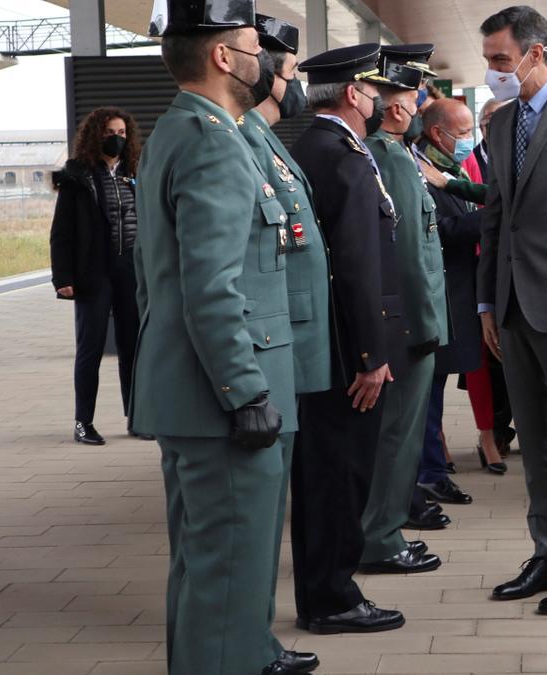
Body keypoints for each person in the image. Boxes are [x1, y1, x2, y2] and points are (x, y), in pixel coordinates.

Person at [133, 3, 315, 674]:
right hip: (220, 399)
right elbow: (211, 286)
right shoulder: (212, 140)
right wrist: (245, 392)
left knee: (207, 573)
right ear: (221, 58)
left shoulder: (184, 130)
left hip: (193, 394)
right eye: (250, 46)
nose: (261, 59)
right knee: (228, 581)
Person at [289, 43, 410, 635]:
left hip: (330, 340)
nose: (379, 98)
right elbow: (357, 262)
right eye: (372, 88)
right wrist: (370, 356)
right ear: (352, 94)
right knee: (340, 473)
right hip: (347, 347)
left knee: (325, 472)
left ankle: (323, 590)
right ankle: (332, 596)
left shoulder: (323, 147)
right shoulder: (340, 155)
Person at [477, 5, 547, 616]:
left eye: (501, 60)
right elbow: (497, 216)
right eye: (489, 61)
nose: (494, 72)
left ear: (536, 53)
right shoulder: (499, 125)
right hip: (514, 308)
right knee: (537, 441)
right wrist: (488, 301)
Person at [245, 12, 332, 654]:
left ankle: (255, 644)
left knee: (264, 519)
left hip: (286, 350)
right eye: (293, 69)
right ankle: (246, 647)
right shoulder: (236, 140)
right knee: (248, 525)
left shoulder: (266, 138)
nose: (297, 81)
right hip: (260, 360)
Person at [360, 48, 447, 575]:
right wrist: (427, 326)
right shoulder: (391, 158)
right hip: (412, 323)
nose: (420, 105)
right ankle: (383, 538)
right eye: (414, 97)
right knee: (398, 437)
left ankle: (383, 529)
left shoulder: (392, 152)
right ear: (395, 109)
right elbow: (413, 251)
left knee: (396, 435)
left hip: (406, 320)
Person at [50, 107, 148, 446]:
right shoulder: (77, 177)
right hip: (94, 272)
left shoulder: (134, 173)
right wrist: (62, 277)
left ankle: (137, 417)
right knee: (89, 348)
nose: (117, 138)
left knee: (133, 346)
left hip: (130, 270)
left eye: (122, 133)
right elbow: (61, 232)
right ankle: (83, 422)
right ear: (96, 135)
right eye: (109, 132)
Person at [417, 98, 488, 504]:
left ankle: (433, 467)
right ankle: (430, 472)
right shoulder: (421, 171)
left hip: (453, 296)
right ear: (436, 133)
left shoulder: (446, 168)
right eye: (462, 134)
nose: (468, 141)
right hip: (438, 297)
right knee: (428, 393)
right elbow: (440, 229)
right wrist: (486, 219)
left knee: (435, 390)